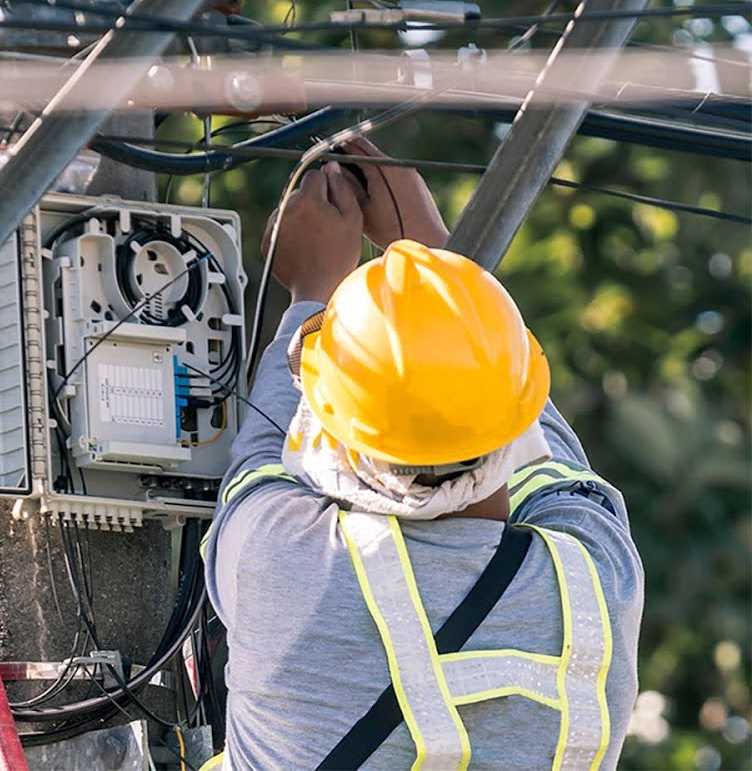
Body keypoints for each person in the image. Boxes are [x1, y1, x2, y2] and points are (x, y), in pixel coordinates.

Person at [203, 138, 643, 770]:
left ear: (340, 434)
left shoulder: (284, 562)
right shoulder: (597, 581)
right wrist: (444, 284)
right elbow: (544, 453)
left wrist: (312, 289)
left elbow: (262, 462)